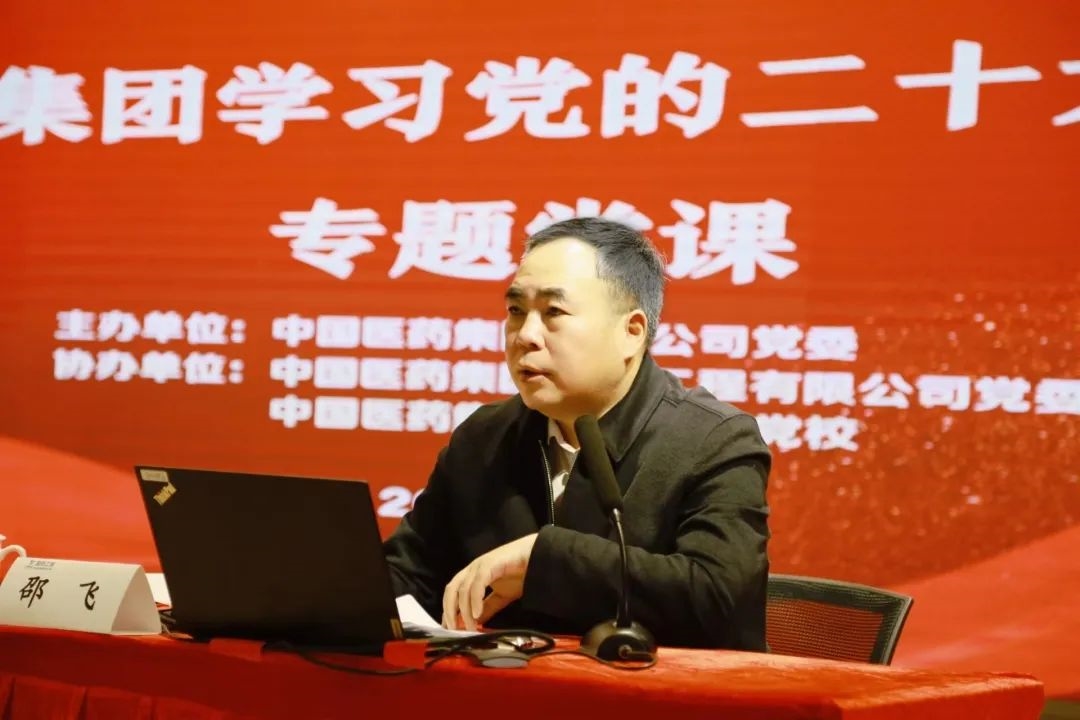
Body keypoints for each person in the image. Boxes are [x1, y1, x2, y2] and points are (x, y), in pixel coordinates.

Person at [383, 217, 771, 650]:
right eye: (516, 311)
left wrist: (545, 559)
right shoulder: (484, 437)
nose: (525, 336)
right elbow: (410, 575)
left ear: (631, 332)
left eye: (553, 312)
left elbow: (718, 597)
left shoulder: (714, 439)